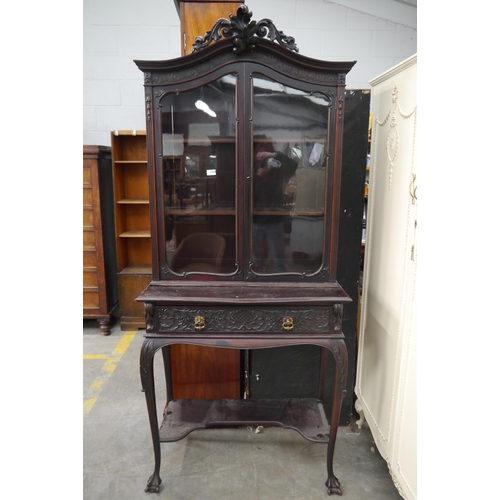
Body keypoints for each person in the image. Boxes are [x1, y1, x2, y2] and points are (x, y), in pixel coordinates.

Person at [252, 139, 298, 273]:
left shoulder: (277, 169)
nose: (262, 156)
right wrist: (258, 176)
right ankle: (256, 278)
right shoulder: (252, 168)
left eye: (265, 153)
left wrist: (272, 156)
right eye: (259, 153)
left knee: (278, 256)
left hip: (274, 219)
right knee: (255, 257)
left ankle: (280, 279)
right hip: (256, 218)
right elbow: (242, 188)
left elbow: (293, 164)